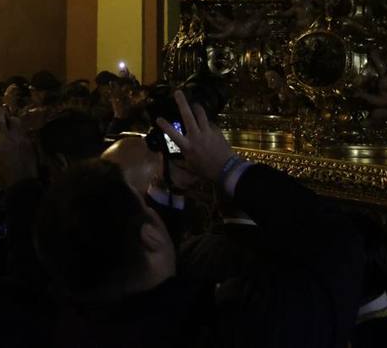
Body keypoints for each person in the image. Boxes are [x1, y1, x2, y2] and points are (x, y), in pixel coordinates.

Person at [35, 90, 364, 348]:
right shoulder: (247, 326)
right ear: (150, 237)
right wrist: (228, 168)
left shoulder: (70, 325)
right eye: (145, 206)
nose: (153, 206)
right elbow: (336, 243)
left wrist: (166, 189)